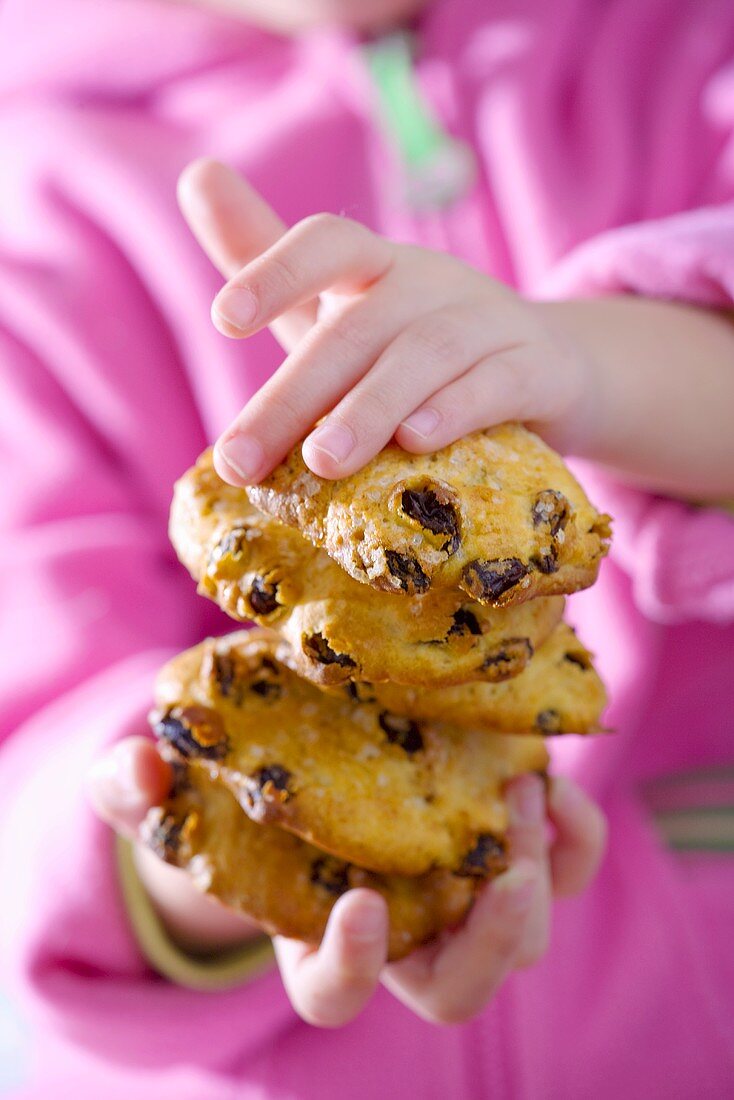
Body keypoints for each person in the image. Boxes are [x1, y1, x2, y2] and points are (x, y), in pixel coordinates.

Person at [0, 0, 732, 1095]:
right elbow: (30, 724)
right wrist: (219, 846)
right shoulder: (37, 198)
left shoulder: (686, 40)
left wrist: (588, 368)